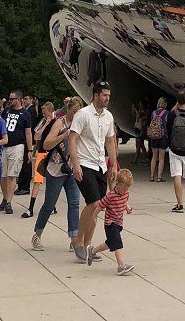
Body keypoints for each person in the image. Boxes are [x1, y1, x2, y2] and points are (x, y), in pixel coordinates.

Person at [68, 81, 119, 263]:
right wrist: (75, 164)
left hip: (100, 165)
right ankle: (78, 240)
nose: (107, 99)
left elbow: (110, 141)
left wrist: (113, 165)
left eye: (109, 96)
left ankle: (88, 246)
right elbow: (72, 139)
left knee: (97, 207)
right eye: (104, 95)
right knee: (93, 202)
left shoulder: (108, 117)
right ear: (96, 95)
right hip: (84, 163)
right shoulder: (83, 115)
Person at [31, 96, 85, 253]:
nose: (76, 115)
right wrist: (63, 135)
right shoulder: (59, 123)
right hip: (56, 168)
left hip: (72, 168)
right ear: (68, 109)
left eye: (79, 112)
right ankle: (37, 233)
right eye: (74, 112)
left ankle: (74, 238)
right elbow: (46, 144)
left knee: (74, 203)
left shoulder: (79, 124)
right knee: (49, 203)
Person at [86, 167, 134, 275]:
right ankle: (121, 265)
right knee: (117, 243)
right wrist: (94, 216)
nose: (125, 191)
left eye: (127, 189)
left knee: (110, 243)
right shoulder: (111, 196)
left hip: (119, 222)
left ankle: (92, 251)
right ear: (117, 184)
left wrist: (127, 208)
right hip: (110, 223)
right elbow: (100, 206)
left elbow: (125, 200)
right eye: (124, 189)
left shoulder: (125, 193)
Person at [0, 91, 34, 215]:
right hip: (4, 144)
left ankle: (8, 201)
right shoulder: (7, 111)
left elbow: (28, 133)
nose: (10, 101)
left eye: (12, 99)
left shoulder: (25, 114)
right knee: (3, 175)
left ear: (18, 99)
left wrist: (30, 149)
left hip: (17, 145)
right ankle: (5, 197)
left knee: (12, 174)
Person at [20, 101, 55, 218]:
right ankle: (31, 207)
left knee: (51, 180)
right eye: (43, 113)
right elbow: (35, 136)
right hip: (42, 152)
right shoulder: (43, 121)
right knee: (37, 180)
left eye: (46, 113)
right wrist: (45, 124)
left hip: (52, 154)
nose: (44, 115)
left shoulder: (57, 122)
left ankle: (51, 204)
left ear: (51, 112)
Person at [146, 96, 169, 183]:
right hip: (163, 136)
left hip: (154, 137)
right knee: (161, 158)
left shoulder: (153, 113)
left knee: (154, 157)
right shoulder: (166, 113)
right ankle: (159, 177)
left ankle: (152, 176)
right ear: (165, 104)